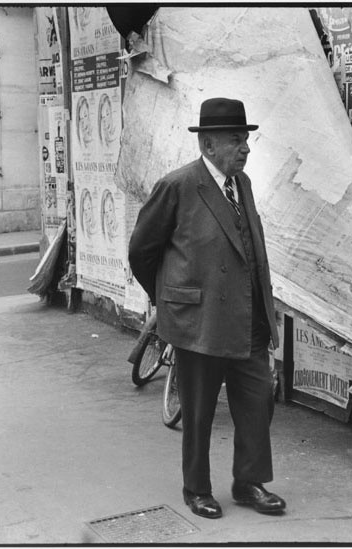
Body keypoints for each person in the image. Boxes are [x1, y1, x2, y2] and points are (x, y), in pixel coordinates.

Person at [128, 97, 284, 520]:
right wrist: (171, 301)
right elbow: (142, 251)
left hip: (249, 318)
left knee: (258, 399)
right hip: (199, 322)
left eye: (246, 139)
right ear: (209, 145)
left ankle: (248, 482)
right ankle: (196, 488)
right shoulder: (179, 186)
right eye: (237, 141)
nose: (246, 148)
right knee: (197, 412)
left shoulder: (243, 185)